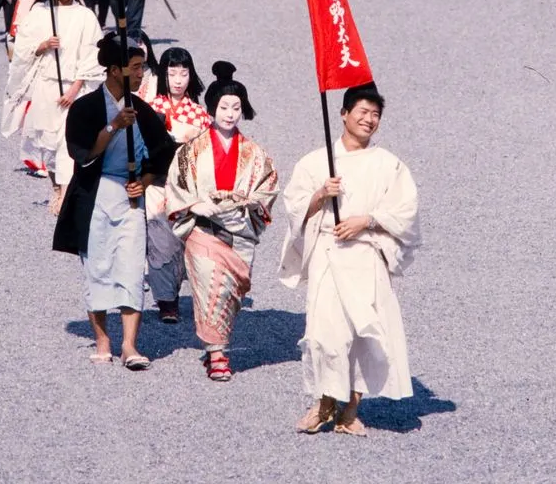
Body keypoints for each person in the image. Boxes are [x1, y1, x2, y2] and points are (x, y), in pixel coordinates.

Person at [280, 83, 420, 436]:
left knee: (365, 336)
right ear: (343, 114)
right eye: (362, 112)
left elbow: (406, 213)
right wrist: (319, 194)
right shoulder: (317, 161)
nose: (369, 120)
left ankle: (351, 409)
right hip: (329, 252)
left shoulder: (389, 164)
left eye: (375, 115)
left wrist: (367, 220)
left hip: (367, 254)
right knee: (323, 333)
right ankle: (324, 402)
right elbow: (294, 208)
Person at [53, 33, 177, 367]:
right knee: (98, 267)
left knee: (132, 267)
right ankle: (103, 340)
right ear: (113, 70)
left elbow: (165, 150)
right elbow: (82, 154)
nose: (141, 74)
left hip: (130, 197)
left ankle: (130, 346)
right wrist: (112, 126)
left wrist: (146, 180)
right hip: (96, 195)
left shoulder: (140, 109)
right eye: (135, 68)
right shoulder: (86, 108)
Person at [165, 62, 278, 381]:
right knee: (209, 289)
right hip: (203, 229)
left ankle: (217, 346)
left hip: (239, 230)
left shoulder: (254, 153)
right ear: (212, 108)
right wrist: (197, 205)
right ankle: (218, 355)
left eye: (236, 107)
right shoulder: (192, 150)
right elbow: (177, 185)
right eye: (224, 106)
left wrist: (248, 201)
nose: (230, 113)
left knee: (230, 293)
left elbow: (268, 184)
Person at [2, 0, 104, 214]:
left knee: (67, 143)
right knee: (47, 141)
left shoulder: (85, 16)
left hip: (75, 87)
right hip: (47, 85)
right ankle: (55, 188)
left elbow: (92, 55)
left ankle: (67, 193)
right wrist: (43, 45)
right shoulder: (40, 12)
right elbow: (21, 50)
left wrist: (75, 87)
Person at [147, 47, 211, 323]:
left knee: (189, 241)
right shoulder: (150, 108)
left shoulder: (199, 114)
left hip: (188, 187)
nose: (178, 80)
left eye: (184, 73)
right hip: (157, 183)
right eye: (171, 73)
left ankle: (193, 292)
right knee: (160, 240)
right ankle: (167, 301)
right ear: (163, 74)